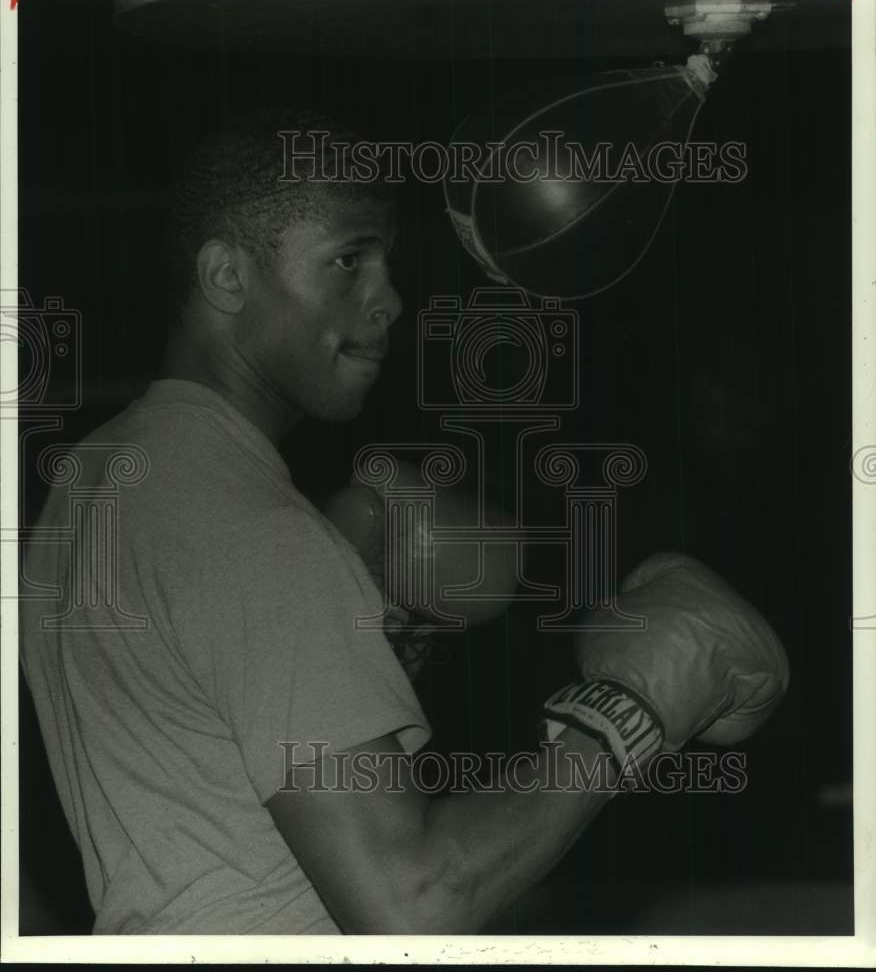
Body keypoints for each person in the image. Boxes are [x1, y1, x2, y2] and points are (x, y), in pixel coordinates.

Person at [19, 109, 788, 935]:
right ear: (227, 278)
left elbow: (197, 775)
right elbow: (410, 903)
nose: (387, 300)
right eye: (347, 260)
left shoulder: (95, 479)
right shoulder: (260, 534)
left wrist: (359, 639)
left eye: (389, 264)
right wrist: (625, 716)